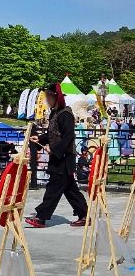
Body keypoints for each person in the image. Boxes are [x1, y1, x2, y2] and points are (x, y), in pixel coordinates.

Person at [25, 83, 88, 228]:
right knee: (70, 189)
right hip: (58, 157)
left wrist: (54, 150)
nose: (46, 100)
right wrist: (39, 139)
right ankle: (85, 214)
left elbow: (68, 137)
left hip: (64, 157)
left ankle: (41, 218)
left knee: (53, 188)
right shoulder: (55, 113)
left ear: (55, 97)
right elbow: (51, 134)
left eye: (48, 97)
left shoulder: (66, 115)